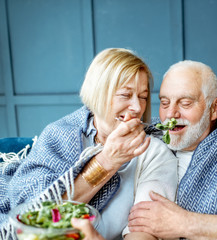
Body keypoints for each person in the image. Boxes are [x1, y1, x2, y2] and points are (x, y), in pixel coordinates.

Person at [72, 60, 217, 239]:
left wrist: (185, 223)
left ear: (214, 108)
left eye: (185, 103)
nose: (171, 114)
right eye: (164, 103)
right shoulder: (144, 139)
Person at [0, 48, 177, 240]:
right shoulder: (59, 134)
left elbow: (145, 229)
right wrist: (106, 162)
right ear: (98, 94)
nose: (137, 107)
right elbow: (30, 215)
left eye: (143, 97)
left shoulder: (152, 149)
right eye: (125, 95)